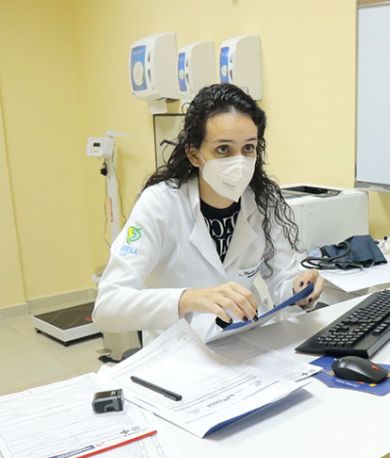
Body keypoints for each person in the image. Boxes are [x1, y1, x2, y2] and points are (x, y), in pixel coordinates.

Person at [94, 83, 323, 344]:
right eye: (223, 149)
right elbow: (107, 306)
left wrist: (300, 289)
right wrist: (188, 298)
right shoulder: (160, 204)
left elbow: (284, 279)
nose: (239, 161)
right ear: (193, 154)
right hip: (177, 353)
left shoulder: (264, 201)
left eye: (248, 148)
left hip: (243, 344)